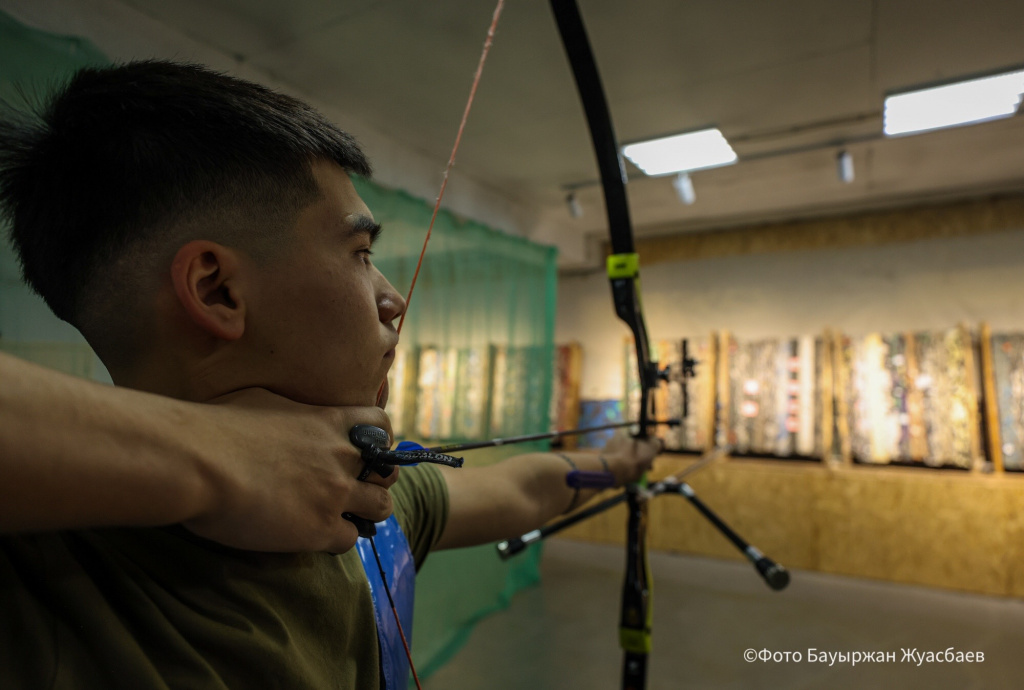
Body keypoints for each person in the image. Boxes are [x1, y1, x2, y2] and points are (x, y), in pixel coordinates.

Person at [0, 60, 660, 689]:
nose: (393, 297)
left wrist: (620, 465)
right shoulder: (46, 570)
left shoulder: (361, 500)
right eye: (361, 253)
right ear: (218, 289)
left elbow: (526, 489)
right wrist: (229, 459)